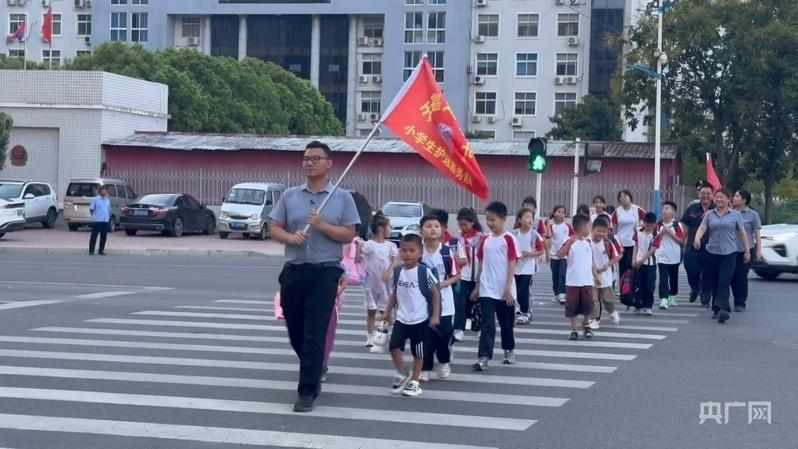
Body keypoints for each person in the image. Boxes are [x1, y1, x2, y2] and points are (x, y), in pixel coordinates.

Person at [269, 140, 361, 413]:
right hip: (295, 269)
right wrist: (290, 237)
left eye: (315, 158)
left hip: (325, 271)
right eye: (306, 158)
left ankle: (307, 390)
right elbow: (274, 228)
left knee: (315, 331)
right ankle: (315, 362)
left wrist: (323, 226)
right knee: (296, 329)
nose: (309, 162)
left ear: (329, 164)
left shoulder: (342, 197)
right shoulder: (290, 196)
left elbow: (349, 234)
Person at [385, 234, 441, 397]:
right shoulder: (398, 272)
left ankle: (415, 382)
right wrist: (387, 312)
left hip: (420, 320)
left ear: (420, 253)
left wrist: (435, 316)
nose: (407, 254)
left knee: (419, 352)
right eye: (404, 250)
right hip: (402, 318)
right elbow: (395, 293)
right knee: (393, 346)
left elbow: (435, 293)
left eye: (412, 250)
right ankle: (403, 372)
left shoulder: (424, 272)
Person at [471, 201, 520, 371]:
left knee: (506, 324)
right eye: (488, 220)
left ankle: (508, 350)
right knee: (488, 324)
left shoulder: (509, 239)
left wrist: (508, 288)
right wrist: (477, 286)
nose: (490, 223)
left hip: (505, 290)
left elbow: (512, 263)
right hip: (487, 289)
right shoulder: (485, 239)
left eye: (493, 220)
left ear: (503, 219)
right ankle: (483, 357)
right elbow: (481, 263)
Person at [693, 189, 750, 324]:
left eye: (722, 197)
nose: (719, 200)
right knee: (714, 281)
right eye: (717, 197)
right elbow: (702, 228)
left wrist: (747, 251)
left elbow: (742, 233)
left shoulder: (735, 215)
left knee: (724, 280)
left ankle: (723, 309)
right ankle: (716, 308)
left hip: (729, 253)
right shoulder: (709, 214)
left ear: (728, 200)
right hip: (712, 252)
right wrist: (697, 239)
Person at [420, 214, 460, 382]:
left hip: (445, 302)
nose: (433, 229)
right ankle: (425, 367)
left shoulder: (446, 252)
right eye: (428, 226)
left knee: (444, 334)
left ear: (442, 230)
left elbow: (456, 275)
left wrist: (444, 284)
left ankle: (443, 361)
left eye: (436, 226)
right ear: (421, 230)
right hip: (422, 302)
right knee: (425, 336)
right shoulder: (417, 251)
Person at [360, 212, 398, 346]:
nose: (390, 230)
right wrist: (358, 247)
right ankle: (370, 336)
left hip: (385, 284)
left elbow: (394, 261)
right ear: (381, 228)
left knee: (386, 311)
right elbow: (359, 258)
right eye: (389, 227)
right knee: (371, 311)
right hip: (371, 283)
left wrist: (389, 271)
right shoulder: (369, 244)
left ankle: (384, 334)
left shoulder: (391, 246)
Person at [558, 214, 595, 340]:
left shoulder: (588, 242)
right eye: (588, 226)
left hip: (587, 281)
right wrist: (569, 242)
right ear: (582, 227)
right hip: (573, 281)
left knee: (587, 306)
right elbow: (560, 254)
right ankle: (574, 330)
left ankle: (587, 326)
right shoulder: (570, 241)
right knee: (572, 308)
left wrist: (595, 275)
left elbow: (591, 261)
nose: (590, 229)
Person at [682, 183, 714, 304]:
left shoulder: (717, 209)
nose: (705, 196)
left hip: (710, 246)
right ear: (699, 195)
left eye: (708, 193)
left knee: (708, 272)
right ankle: (695, 288)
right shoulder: (692, 208)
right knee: (691, 269)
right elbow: (685, 225)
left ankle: (705, 294)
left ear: (712, 195)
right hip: (692, 245)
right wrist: (683, 241)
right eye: (703, 193)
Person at [454, 207, 483, 341]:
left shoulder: (481, 238)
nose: (462, 227)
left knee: (477, 303)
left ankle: (478, 327)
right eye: (460, 224)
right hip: (463, 276)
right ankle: (459, 328)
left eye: (465, 224)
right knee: (459, 303)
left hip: (478, 275)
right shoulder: (459, 239)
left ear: (472, 223)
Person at [731, 190, 762, 312]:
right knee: (732, 276)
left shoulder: (752, 215)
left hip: (746, 250)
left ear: (744, 200)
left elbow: (757, 234)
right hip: (731, 250)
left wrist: (759, 250)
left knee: (741, 276)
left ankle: (740, 302)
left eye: (737, 196)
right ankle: (735, 298)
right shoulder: (729, 213)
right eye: (734, 195)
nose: (734, 198)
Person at [513, 207, 545, 325]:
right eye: (526, 217)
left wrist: (530, 254)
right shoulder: (514, 234)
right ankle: (521, 309)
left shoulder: (534, 235)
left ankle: (525, 312)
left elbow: (541, 250)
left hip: (528, 268)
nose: (529, 220)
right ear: (520, 220)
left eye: (531, 217)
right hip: (515, 267)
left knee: (523, 290)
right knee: (516, 290)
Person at [590, 217, 621, 328]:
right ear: (592, 229)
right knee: (594, 299)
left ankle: (612, 311)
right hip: (591, 276)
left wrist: (606, 266)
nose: (601, 233)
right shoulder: (587, 242)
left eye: (604, 231)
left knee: (607, 300)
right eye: (598, 230)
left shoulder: (608, 243)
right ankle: (595, 319)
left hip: (605, 276)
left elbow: (616, 257)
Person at [655, 201, 686, 310]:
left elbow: (682, 241)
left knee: (673, 278)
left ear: (673, 212)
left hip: (674, 256)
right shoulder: (658, 224)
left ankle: (673, 295)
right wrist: (660, 233)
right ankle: (663, 298)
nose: (664, 211)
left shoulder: (677, 225)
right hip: (661, 255)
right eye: (663, 208)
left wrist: (670, 233)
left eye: (667, 208)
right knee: (663, 278)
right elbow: (654, 239)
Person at [612, 190, 647, 278]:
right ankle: (623, 288)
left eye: (625, 196)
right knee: (622, 267)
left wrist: (640, 232)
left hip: (633, 243)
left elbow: (647, 223)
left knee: (631, 266)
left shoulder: (637, 209)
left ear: (630, 197)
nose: (623, 198)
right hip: (621, 243)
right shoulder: (617, 211)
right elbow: (613, 226)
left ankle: (632, 287)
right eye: (621, 197)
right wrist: (614, 240)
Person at [321, 275, 347, 383]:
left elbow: (344, 282)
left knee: (327, 339)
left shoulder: (335, 265)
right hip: (310, 307)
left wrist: (336, 293)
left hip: (330, 307)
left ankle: (322, 368)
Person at [546, 205, 574, 304]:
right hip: (554, 254)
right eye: (558, 212)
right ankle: (557, 293)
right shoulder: (551, 226)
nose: (561, 214)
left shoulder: (567, 226)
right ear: (554, 213)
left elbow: (572, 239)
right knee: (555, 275)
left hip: (565, 255)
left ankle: (562, 294)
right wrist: (548, 225)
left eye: (563, 212)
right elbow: (548, 237)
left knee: (562, 274)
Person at [633, 212, 659, 316]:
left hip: (651, 263)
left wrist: (641, 260)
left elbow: (652, 250)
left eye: (651, 224)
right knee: (639, 284)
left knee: (649, 286)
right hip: (638, 262)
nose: (649, 227)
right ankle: (638, 305)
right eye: (647, 224)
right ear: (644, 222)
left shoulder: (656, 235)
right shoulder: (638, 231)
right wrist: (634, 259)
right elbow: (635, 245)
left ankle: (648, 306)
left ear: (654, 224)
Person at [88, 185, 111, 256]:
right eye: (103, 190)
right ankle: (91, 251)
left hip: (105, 221)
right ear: (100, 191)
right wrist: (94, 217)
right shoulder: (95, 199)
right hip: (97, 220)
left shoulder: (107, 200)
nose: (104, 192)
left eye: (105, 190)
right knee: (94, 236)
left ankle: (101, 250)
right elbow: (91, 209)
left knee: (103, 237)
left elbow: (109, 210)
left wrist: (108, 218)